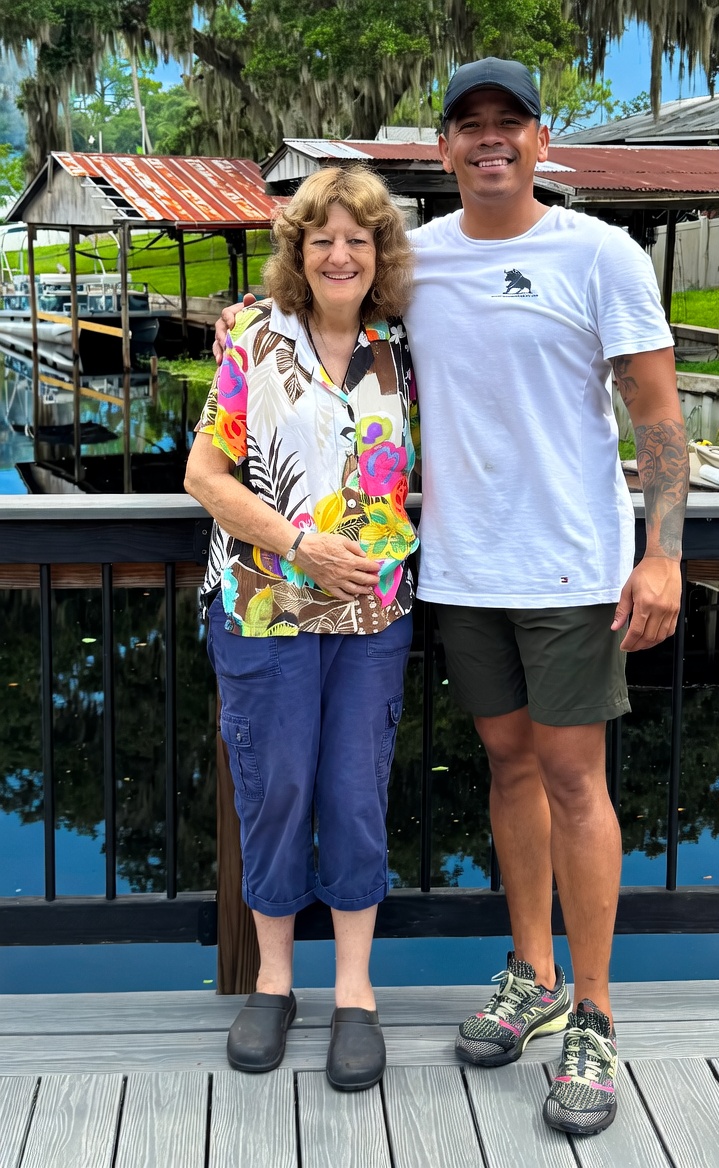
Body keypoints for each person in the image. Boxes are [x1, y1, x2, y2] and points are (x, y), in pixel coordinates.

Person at [215, 58, 688, 1136]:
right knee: (509, 768)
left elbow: (657, 415)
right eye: (468, 124)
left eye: (508, 121)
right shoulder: (415, 261)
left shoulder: (599, 254)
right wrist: (236, 324)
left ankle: (594, 1013)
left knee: (576, 781)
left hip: (570, 568)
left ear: (540, 138)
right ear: (444, 148)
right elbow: (316, 302)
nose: (489, 139)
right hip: (463, 570)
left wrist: (662, 553)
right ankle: (530, 972)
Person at [187, 164, 419, 1091]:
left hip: (372, 612)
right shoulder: (252, 337)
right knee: (275, 788)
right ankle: (274, 982)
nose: (340, 255)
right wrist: (299, 545)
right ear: (298, 250)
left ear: (379, 254)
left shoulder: (403, 348)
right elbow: (204, 477)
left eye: (358, 240)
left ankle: (354, 992)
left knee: (355, 793)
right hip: (263, 604)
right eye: (322, 239)